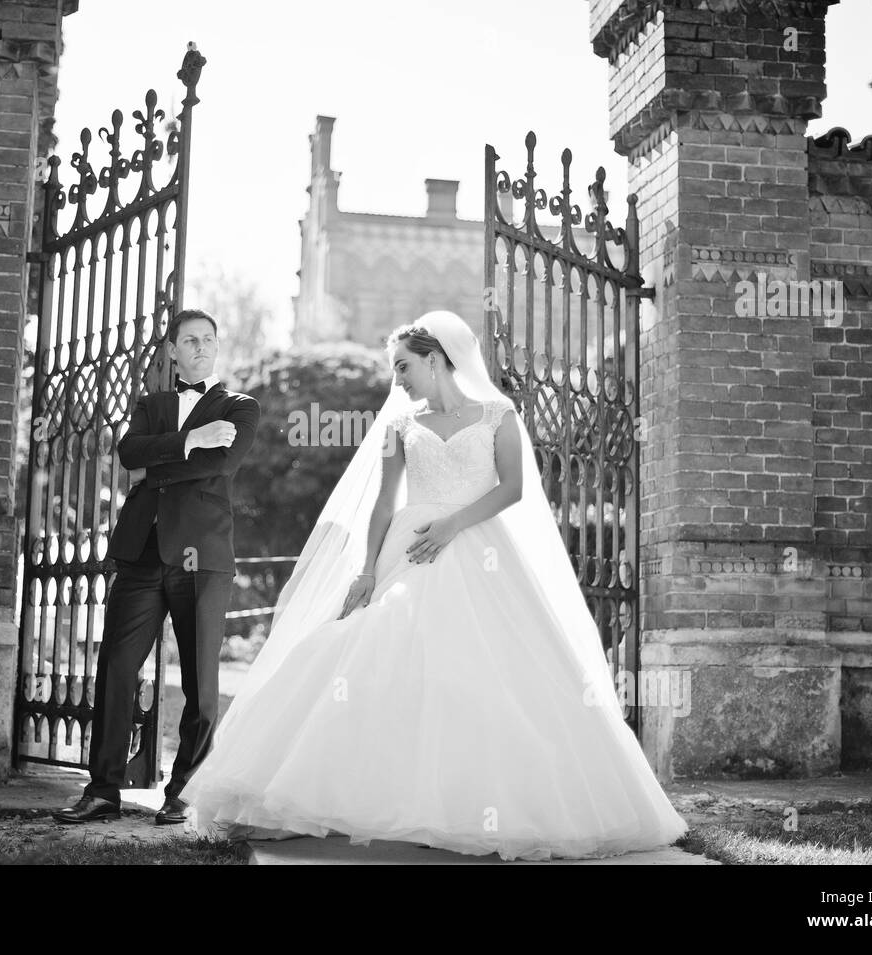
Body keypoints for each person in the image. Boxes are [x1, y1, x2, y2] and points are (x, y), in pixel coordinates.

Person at [178, 310, 687, 860]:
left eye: (403, 367)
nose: (397, 379)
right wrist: (367, 570)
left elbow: (513, 488)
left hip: (478, 548)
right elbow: (382, 503)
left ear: (436, 359)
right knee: (366, 650)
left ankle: (473, 804)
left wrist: (451, 525)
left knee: (493, 667)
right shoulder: (400, 426)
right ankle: (344, 795)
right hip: (407, 549)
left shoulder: (498, 414)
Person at [53, 308, 260, 826]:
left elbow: (223, 464)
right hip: (143, 553)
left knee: (200, 682)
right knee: (117, 669)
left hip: (203, 560)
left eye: (208, 339)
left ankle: (183, 790)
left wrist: (159, 463)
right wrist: (190, 441)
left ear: (217, 345)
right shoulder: (153, 403)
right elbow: (128, 454)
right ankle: (102, 790)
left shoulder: (241, 407)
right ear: (172, 351)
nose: (200, 347)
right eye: (189, 340)